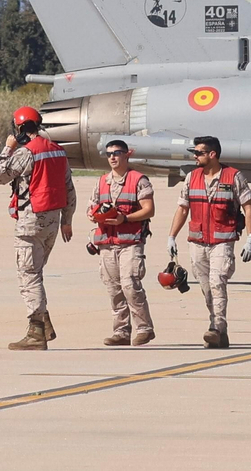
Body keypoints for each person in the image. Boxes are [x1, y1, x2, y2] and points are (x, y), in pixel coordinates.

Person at [0, 105, 75, 351]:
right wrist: (67, 221)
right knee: (36, 273)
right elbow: (69, 189)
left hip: (30, 222)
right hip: (52, 221)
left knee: (29, 276)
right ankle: (44, 324)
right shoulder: (58, 152)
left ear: (18, 128)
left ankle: (36, 330)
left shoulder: (26, 153)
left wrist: (8, 147)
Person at [166, 136, 251, 348]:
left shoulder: (234, 177)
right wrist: (171, 236)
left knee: (217, 283)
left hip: (222, 242)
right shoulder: (191, 178)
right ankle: (220, 331)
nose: (195, 156)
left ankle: (215, 328)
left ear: (212, 154)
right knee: (207, 289)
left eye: (199, 153)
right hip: (197, 242)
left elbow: (248, 208)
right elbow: (182, 208)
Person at [88, 139, 156, 346]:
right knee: (113, 288)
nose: (112, 157)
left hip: (130, 242)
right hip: (107, 243)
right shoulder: (102, 182)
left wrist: (124, 219)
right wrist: (93, 216)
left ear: (127, 155)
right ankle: (121, 332)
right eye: (109, 154)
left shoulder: (138, 180)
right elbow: (92, 207)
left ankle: (144, 328)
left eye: (117, 153)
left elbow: (149, 210)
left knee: (130, 285)